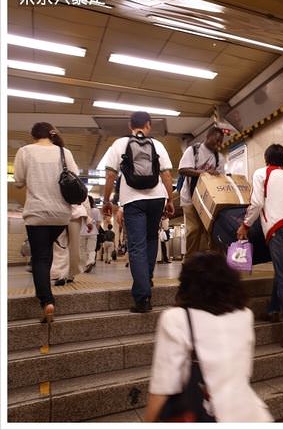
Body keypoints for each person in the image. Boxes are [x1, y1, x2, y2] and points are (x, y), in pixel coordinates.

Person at [145, 251, 273, 422]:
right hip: (251, 415)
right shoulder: (245, 314)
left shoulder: (176, 318)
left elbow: (163, 387)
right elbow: (245, 373)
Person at [102, 111, 174, 313]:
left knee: (137, 246)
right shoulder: (157, 145)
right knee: (151, 240)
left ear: (129, 126)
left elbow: (110, 174)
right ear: (148, 126)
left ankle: (142, 298)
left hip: (133, 200)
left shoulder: (119, 144)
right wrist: (169, 199)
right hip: (157, 198)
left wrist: (107, 200)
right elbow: (167, 174)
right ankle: (147, 279)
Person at [237, 144, 283, 349]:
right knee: (282, 271)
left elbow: (257, 202)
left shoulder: (262, 173)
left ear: (267, 159)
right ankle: (272, 310)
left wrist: (244, 225)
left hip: (281, 228)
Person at [13, 122, 80, 322]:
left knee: (40, 258)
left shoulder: (25, 151)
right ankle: (46, 293)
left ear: (33, 135)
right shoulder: (64, 152)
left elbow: (18, 181)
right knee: (47, 255)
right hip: (60, 215)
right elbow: (75, 177)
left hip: (37, 214)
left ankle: (47, 301)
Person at [178, 126, 225, 256]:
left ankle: (204, 262)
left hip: (207, 201)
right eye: (216, 140)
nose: (219, 144)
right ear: (207, 137)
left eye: (221, 142)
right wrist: (204, 173)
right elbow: (182, 170)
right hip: (189, 198)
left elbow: (221, 178)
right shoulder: (193, 150)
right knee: (194, 229)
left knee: (208, 230)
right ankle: (189, 262)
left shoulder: (219, 157)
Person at [50, 202, 89, 285]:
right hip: (58, 212)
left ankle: (70, 273)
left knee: (74, 246)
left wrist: (88, 218)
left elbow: (83, 196)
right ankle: (60, 274)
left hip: (75, 213)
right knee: (59, 245)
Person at [82, 196, 101, 273]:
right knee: (91, 249)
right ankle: (90, 261)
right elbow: (98, 222)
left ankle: (84, 265)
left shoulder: (83, 210)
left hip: (82, 231)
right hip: (93, 231)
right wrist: (96, 230)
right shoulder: (96, 210)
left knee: (83, 249)